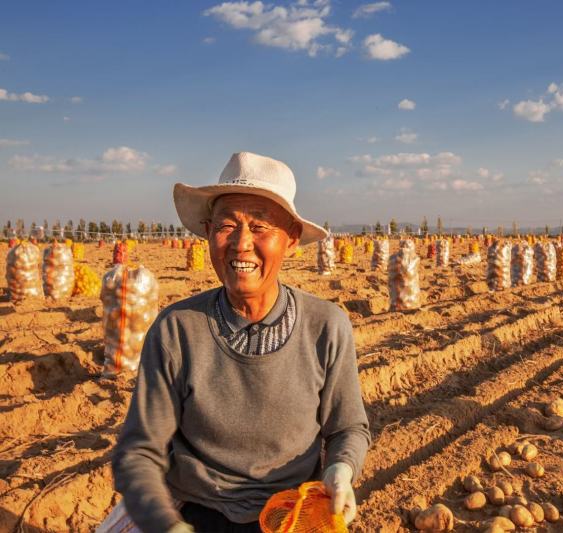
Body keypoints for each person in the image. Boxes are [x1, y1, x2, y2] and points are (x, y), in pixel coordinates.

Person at [109, 152, 371, 533]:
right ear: (208, 232)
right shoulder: (176, 330)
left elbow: (348, 428)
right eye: (227, 226)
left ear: (292, 240)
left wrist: (340, 471)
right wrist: (166, 524)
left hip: (290, 513)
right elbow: (139, 451)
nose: (241, 244)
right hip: (191, 509)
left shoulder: (326, 326)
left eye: (260, 227)